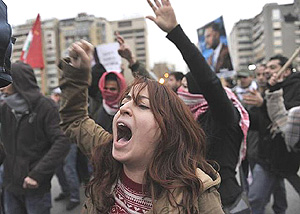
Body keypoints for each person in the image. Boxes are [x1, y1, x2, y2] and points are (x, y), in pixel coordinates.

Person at [58, 0, 224, 213]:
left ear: (167, 129)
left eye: (142, 106)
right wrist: (78, 74)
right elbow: (75, 120)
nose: (124, 108)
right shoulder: (105, 151)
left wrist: (175, 33)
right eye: (125, 101)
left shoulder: (197, 191)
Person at [0, 62, 70, 214]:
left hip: (35, 188)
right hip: (10, 187)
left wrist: (37, 175)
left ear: (19, 81)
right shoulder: (5, 109)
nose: (2, 85)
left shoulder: (46, 107)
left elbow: (62, 142)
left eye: (6, 80)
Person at [245, 54, 300, 214]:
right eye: (267, 68)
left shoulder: (296, 86)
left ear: (287, 71)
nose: (268, 71)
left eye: (273, 68)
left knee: (260, 199)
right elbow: (261, 122)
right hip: (268, 156)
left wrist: (264, 103)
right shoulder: (269, 88)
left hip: (289, 157)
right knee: (260, 197)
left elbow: (289, 116)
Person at [50, 87, 81, 211]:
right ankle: (66, 191)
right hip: (57, 143)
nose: (56, 98)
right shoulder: (53, 107)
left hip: (68, 142)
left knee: (69, 169)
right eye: (55, 95)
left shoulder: (68, 107)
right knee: (58, 169)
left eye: (58, 95)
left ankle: (74, 197)